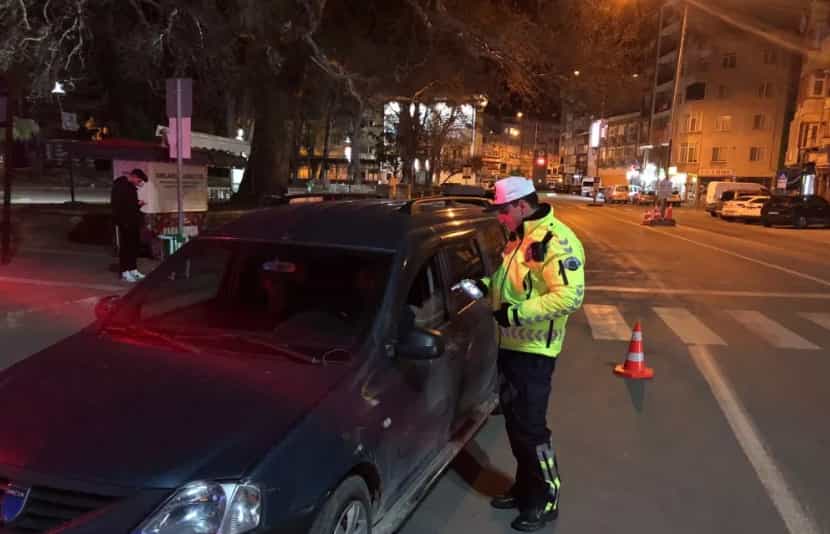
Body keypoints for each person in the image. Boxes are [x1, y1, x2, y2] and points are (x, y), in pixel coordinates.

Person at [470, 176, 585, 532]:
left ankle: (546, 496)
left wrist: (516, 314)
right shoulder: (520, 238)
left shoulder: (556, 241)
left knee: (532, 431)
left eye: (503, 211)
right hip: (512, 346)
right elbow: (511, 287)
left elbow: (569, 296)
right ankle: (523, 490)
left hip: (536, 351)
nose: (500, 218)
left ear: (522, 205)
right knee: (518, 428)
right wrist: (482, 287)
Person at [111, 169, 148, 283]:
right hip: (125, 222)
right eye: (139, 180)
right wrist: (122, 220)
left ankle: (133, 269)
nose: (139, 183)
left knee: (133, 246)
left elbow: (130, 204)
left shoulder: (131, 187)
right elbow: (118, 205)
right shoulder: (120, 186)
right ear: (134, 176)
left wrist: (137, 204)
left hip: (133, 222)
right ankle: (125, 271)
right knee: (126, 247)